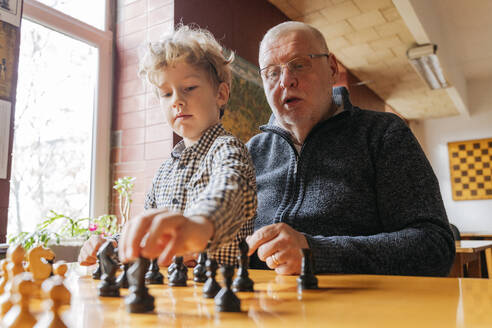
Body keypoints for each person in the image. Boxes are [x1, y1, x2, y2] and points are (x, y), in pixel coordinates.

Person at [245, 21, 455, 276]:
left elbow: (434, 246)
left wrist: (316, 253)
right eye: (272, 72)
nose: (286, 81)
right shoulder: (250, 153)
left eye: (299, 64)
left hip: (360, 308)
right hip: (263, 308)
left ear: (332, 68)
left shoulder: (383, 134)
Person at [79, 25, 257, 267]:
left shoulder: (228, 149)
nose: (177, 101)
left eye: (189, 88)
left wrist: (199, 225)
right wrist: (111, 245)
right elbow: (147, 228)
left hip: (218, 294)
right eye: (166, 94)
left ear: (221, 95)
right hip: (169, 296)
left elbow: (230, 190)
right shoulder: (164, 172)